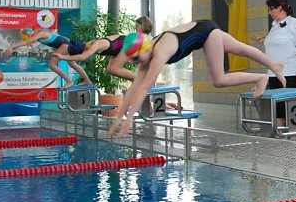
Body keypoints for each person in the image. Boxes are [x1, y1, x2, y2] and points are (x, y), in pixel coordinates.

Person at [108, 20, 286, 138]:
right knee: (240, 48)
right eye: (137, 61)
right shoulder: (147, 53)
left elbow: (144, 86)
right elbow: (135, 87)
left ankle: (260, 77)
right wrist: (119, 119)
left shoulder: (160, 52)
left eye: (140, 58)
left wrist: (128, 119)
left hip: (206, 33)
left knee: (219, 79)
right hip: (202, 27)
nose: (141, 63)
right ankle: (274, 65)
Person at [253, 0, 296, 128]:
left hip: (288, 72)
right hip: (273, 73)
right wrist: (262, 40)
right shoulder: (274, 25)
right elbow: (277, 42)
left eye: (271, 9)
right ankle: (280, 133)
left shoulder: (294, 23)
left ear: (280, 8)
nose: (269, 12)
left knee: (291, 104)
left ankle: (295, 134)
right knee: (278, 106)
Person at [53, 16, 154, 85]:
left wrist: (63, 57)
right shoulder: (94, 43)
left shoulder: (96, 44)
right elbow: (78, 55)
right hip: (116, 49)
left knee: (114, 69)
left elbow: (83, 57)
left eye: (137, 26)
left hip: (122, 46)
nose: (135, 27)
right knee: (110, 70)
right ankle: (137, 79)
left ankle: (139, 79)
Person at [4, 29, 89, 88]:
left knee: (52, 65)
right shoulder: (38, 36)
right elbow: (29, 43)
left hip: (65, 45)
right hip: (68, 44)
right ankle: (87, 81)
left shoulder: (41, 34)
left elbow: (27, 42)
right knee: (72, 64)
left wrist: (12, 47)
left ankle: (69, 81)